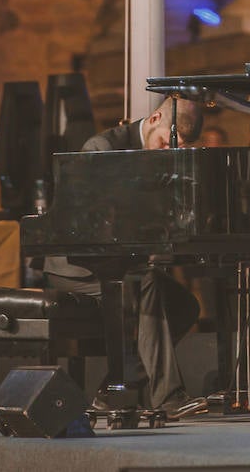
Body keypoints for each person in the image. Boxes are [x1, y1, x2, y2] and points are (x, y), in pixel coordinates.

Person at [41, 96, 204, 415]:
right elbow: (85, 222)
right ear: (155, 118)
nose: (170, 153)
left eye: (178, 148)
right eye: (167, 143)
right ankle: (168, 397)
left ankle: (113, 389)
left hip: (124, 263)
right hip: (76, 267)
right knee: (147, 282)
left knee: (186, 306)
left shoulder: (164, 155)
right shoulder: (102, 148)